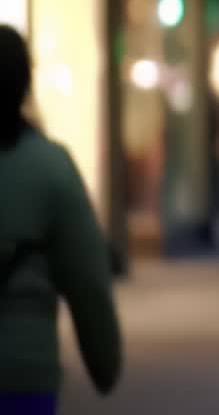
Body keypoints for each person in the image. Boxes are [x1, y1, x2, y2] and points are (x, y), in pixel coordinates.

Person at [0, 25, 121, 413]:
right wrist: (104, 361)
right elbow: (87, 277)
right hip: (23, 368)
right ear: (24, 85)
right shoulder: (50, 168)